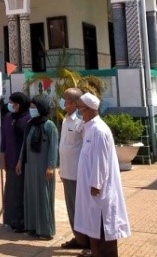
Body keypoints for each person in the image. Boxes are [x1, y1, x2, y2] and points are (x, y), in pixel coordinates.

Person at [74, 93, 131, 257]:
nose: (79, 112)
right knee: (94, 230)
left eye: (81, 109)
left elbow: (101, 161)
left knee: (102, 228)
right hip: (91, 190)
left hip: (98, 190)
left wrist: (95, 184)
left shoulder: (99, 130)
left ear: (89, 110)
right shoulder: (90, 127)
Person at [16, 95, 58, 239]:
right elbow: (25, 144)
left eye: (34, 107)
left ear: (41, 108)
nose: (31, 110)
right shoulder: (30, 124)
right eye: (31, 107)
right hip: (30, 167)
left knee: (43, 197)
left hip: (43, 168)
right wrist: (20, 160)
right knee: (31, 196)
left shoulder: (49, 125)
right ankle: (33, 227)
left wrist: (51, 166)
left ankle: (46, 230)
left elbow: (53, 147)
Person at [59, 88, 90, 251]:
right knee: (71, 208)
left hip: (77, 174)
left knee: (80, 209)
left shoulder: (80, 122)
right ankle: (78, 238)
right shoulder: (66, 120)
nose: (65, 104)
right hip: (67, 172)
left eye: (69, 102)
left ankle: (87, 242)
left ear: (77, 104)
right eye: (64, 101)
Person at [0, 91, 32, 232]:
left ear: (19, 105)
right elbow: (4, 138)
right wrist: (2, 157)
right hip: (10, 160)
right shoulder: (8, 117)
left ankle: (22, 221)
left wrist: (21, 160)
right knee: (11, 192)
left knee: (21, 193)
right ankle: (11, 220)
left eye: (12, 103)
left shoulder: (28, 119)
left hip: (22, 162)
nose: (10, 105)